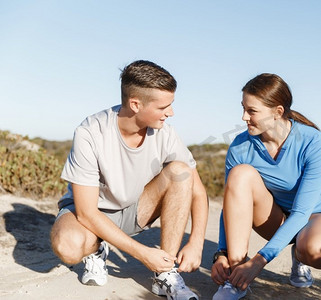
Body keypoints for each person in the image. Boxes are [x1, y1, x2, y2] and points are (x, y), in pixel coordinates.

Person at [50, 60, 208, 300]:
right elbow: (86, 213)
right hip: (91, 214)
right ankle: (96, 249)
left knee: (180, 171)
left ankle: (165, 274)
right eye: (164, 106)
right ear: (135, 104)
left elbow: (197, 190)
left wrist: (196, 242)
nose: (171, 113)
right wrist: (142, 253)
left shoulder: (166, 132)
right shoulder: (90, 132)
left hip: (135, 209)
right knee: (68, 247)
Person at [210, 73, 321, 299]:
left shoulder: (313, 141)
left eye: (252, 111)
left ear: (277, 112)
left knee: (317, 252)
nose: (244, 117)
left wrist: (259, 261)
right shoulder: (240, 147)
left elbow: (302, 212)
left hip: (314, 215)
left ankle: (300, 256)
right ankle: (236, 277)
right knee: (240, 174)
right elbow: (230, 205)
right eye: (243, 108)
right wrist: (221, 253)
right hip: (275, 216)